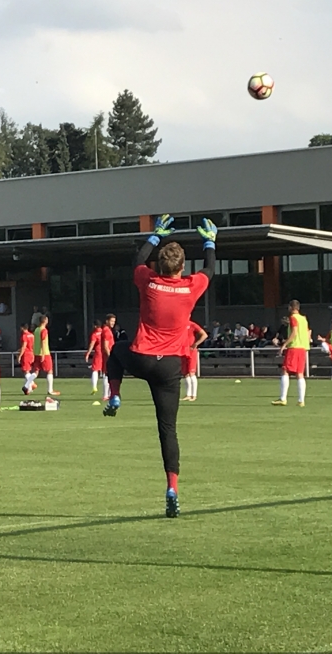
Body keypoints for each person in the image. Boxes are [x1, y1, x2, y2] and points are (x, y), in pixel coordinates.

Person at [104, 214, 217, 519]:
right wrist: (210, 242)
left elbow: (137, 262)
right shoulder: (191, 286)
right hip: (169, 367)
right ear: (182, 267)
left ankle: (115, 394)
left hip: (141, 357)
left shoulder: (149, 281)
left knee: (116, 350)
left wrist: (155, 236)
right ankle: (172, 488)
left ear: (159, 266)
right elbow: (209, 270)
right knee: (168, 430)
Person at [273, 300, 310, 407]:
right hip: (302, 348)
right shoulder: (303, 319)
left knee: (285, 370)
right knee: (300, 373)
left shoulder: (293, 318)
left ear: (291, 307)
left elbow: (294, 332)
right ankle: (301, 400)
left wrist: (284, 345)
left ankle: (283, 398)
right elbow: (308, 332)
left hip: (294, 347)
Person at [30, 315, 60, 396]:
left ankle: (27, 385)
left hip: (36, 353)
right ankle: (50, 390)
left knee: (36, 371)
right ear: (45, 321)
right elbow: (43, 342)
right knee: (49, 370)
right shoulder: (44, 330)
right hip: (44, 353)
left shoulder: (36, 330)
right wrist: (43, 353)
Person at [181, 321, 208, 402]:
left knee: (191, 373)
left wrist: (196, 344)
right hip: (182, 351)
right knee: (185, 373)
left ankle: (194, 395)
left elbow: (204, 335)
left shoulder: (192, 325)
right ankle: (188, 394)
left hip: (191, 351)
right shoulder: (179, 324)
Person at [85, 320, 105, 395]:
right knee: (105, 370)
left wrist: (88, 353)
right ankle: (107, 390)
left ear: (95, 326)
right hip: (105, 352)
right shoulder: (104, 331)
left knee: (95, 370)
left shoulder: (95, 334)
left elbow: (92, 344)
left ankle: (94, 387)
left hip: (98, 353)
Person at [18, 323, 37, 394]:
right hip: (31, 353)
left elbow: (24, 346)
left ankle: (32, 383)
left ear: (22, 328)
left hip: (26, 354)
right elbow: (33, 345)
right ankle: (29, 389)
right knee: (28, 371)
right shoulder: (32, 335)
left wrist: (20, 355)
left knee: (26, 371)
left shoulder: (24, 336)